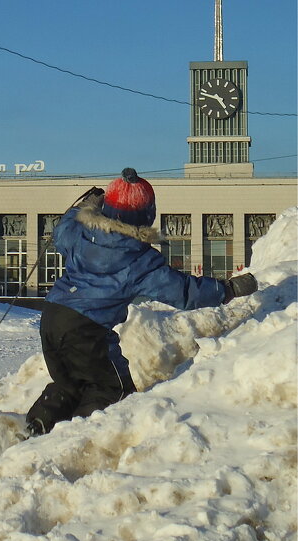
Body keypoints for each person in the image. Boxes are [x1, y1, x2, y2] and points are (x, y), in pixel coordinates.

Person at [26, 167, 258, 436]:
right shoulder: (138, 258)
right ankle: (68, 443)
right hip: (87, 329)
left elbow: (64, 227)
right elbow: (183, 291)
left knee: (68, 383)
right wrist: (226, 290)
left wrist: (88, 203)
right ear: (147, 214)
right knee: (113, 391)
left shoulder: (78, 232)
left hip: (53, 315)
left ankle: (35, 427)